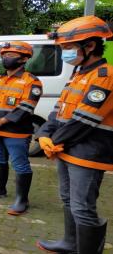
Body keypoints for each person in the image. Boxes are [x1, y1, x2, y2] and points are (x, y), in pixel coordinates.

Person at [36, 15, 113, 254]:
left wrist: (54, 141)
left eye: (68, 48)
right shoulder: (78, 74)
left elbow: (84, 120)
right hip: (66, 149)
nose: (64, 53)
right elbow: (59, 110)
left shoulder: (105, 75)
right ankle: (71, 243)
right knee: (68, 199)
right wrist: (44, 134)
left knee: (82, 207)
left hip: (88, 151)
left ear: (90, 46)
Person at [0, 41, 43, 216]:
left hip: (16, 132)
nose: (6, 58)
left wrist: (2, 121)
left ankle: (22, 200)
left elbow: (26, 107)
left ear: (24, 59)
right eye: (4, 55)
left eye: (11, 55)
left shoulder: (32, 81)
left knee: (20, 165)